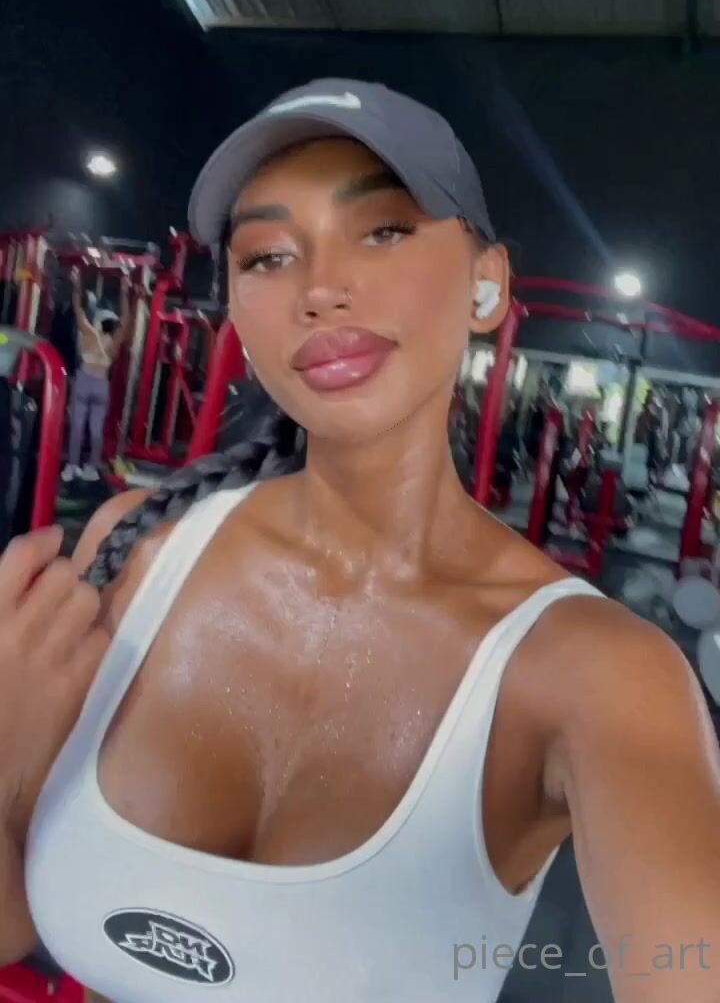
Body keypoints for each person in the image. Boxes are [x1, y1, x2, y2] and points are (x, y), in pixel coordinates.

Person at [0, 80, 718, 1003]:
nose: (320, 288)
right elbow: (14, 927)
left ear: (488, 284)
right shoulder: (137, 551)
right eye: (268, 256)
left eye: (381, 231)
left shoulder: (600, 676)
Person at [61, 272, 130, 484]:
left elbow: (78, 308)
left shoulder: (89, 333)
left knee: (77, 427)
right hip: (101, 385)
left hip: (84, 381)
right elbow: (126, 319)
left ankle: (72, 466)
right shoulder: (115, 342)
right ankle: (91, 468)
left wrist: (76, 283)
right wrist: (125, 292)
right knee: (96, 430)